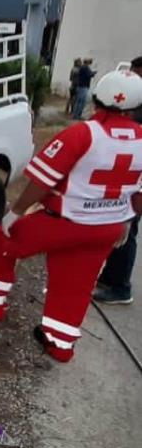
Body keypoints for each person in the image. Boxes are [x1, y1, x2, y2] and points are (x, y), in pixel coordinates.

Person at [0, 70, 142, 362]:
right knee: (77, 283)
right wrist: (126, 219)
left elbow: (43, 180)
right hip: (106, 228)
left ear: (97, 99)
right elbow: (138, 193)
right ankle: (59, 343)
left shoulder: (82, 134)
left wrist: (15, 213)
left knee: (2, 242)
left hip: (65, 222)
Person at [93, 56, 142, 304]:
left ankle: (121, 287)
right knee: (118, 226)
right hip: (128, 175)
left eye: (135, 75)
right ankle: (111, 277)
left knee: (127, 228)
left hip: (136, 179)